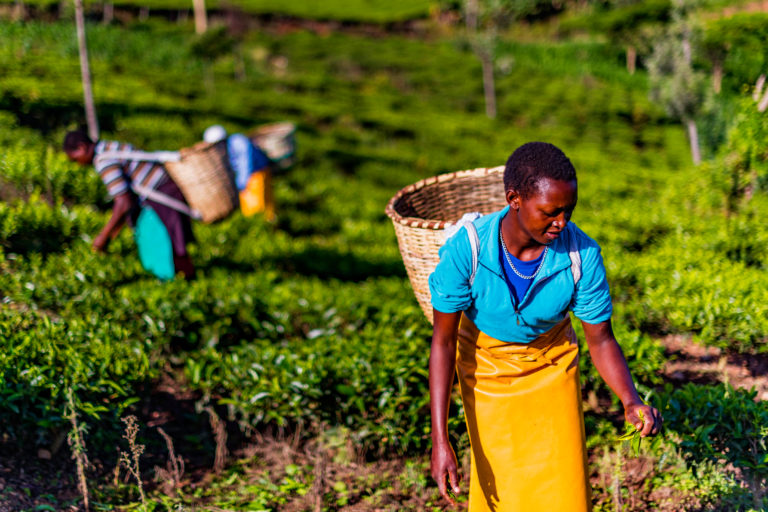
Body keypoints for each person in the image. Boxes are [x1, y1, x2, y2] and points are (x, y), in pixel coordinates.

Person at [428, 142, 662, 511]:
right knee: (501, 488)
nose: (562, 223)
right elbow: (442, 343)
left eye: (569, 211)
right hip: (486, 374)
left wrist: (630, 399)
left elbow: (601, 340)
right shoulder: (468, 250)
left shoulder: (580, 256)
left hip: (552, 370)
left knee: (562, 487)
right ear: (514, 199)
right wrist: (439, 438)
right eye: (551, 212)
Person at [63, 129, 195, 279]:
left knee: (170, 250)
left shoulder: (103, 160)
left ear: (82, 148)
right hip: (167, 190)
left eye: (75, 159)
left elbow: (124, 202)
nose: (78, 164)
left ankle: (183, 283)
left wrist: (103, 237)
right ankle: (185, 279)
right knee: (174, 247)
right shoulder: (109, 146)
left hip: (160, 196)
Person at [203, 125, 275, 221]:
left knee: (258, 204)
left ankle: (265, 223)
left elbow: (245, 162)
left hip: (256, 174)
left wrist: (242, 182)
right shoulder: (228, 146)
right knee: (256, 203)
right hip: (250, 175)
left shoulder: (238, 141)